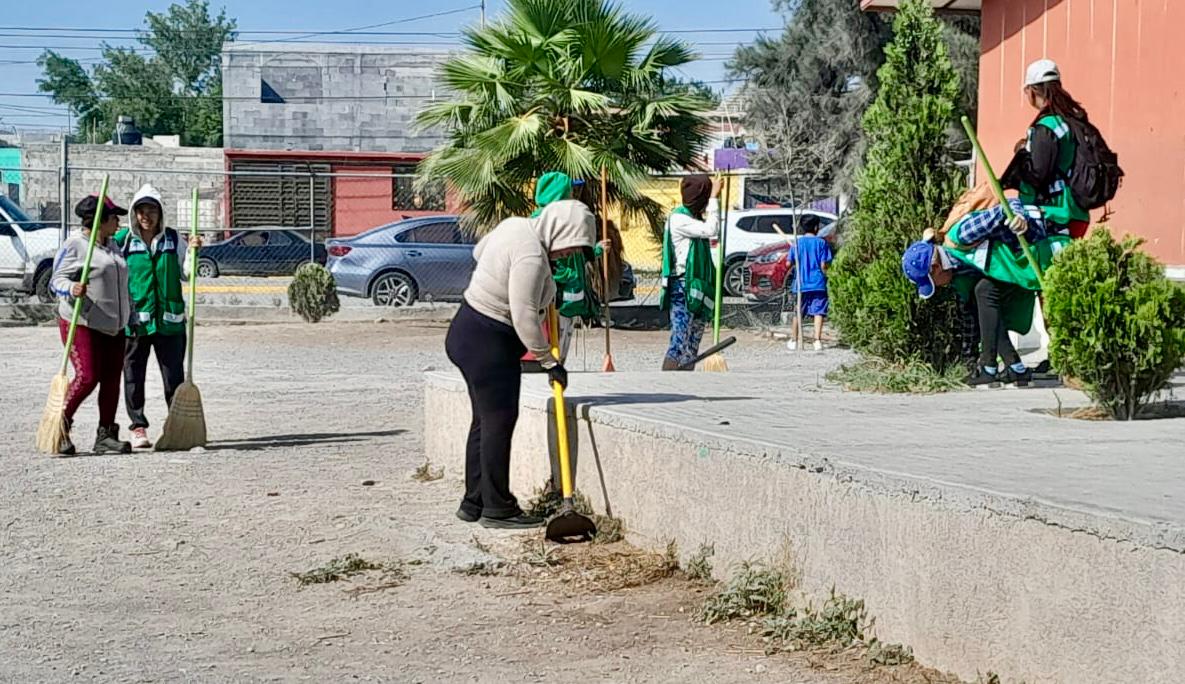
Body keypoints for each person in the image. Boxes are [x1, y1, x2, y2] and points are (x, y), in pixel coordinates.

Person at [446, 199, 595, 529]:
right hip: (489, 342)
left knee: (484, 422)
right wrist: (548, 361)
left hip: (466, 331)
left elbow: (479, 252)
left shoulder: (515, 226)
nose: (567, 255)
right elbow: (524, 315)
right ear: (559, 232)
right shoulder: (531, 256)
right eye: (569, 248)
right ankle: (498, 509)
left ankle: (474, 502)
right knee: (499, 422)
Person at [902, 197, 1068, 387]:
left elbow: (1009, 204)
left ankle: (993, 366)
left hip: (1045, 242)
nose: (937, 287)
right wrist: (968, 359)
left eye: (932, 282)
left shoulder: (963, 234)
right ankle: (1013, 367)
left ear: (936, 267)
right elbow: (972, 318)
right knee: (982, 292)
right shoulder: (957, 273)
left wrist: (1019, 218)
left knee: (984, 289)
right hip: (1018, 268)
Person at [116, 184, 201, 449]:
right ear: (134, 213)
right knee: (133, 375)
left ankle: (176, 424)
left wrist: (194, 254)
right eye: (141, 210)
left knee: (173, 377)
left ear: (160, 212)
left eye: (151, 210)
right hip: (136, 323)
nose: (146, 216)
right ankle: (138, 426)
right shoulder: (124, 241)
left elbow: (188, 273)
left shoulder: (174, 239)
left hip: (170, 322)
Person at [49, 195, 134, 455]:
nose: (118, 222)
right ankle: (59, 427)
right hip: (83, 321)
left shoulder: (113, 246)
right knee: (87, 376)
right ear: (99, 221)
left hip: (114, 325)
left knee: (111, 380)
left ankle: (106, 433)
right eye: (114, 217)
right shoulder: (75, 245)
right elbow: (56, 281)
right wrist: (71, 288)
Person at [1001, 59, 1092, 239]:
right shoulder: (1072, 121)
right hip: (1077, 211)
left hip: (1055, 214)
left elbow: (1037, 174)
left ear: (1032, 90)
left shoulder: (1046, 127)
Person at [529, 171, 610, 364]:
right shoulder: (555, 221)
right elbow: (567, 257)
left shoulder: (537, 219)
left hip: (558, 297)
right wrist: (596, 251)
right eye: (570, 191)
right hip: (559, 297)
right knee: (555, 346)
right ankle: (553, 380)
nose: (574, 194)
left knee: (556, 344)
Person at [659, 174, 720, 370]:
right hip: (683, 284)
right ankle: (669, 377)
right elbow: (711, 229)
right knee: (680, 337)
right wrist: (714, 200)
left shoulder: (693, 217)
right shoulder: (679, 218)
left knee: (693, 340)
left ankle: (686, 375)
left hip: (699, 283)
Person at [785, 219, 832, 352]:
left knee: (798, 311)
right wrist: (827, 275)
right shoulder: (821, 243)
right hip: (818, 282)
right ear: (816, 227)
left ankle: (793, 340)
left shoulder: (797, 243)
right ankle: (817, 341)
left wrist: (796, 261)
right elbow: (824, 265)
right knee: (819, 311)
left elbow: (788, 264)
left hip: (801, 283)